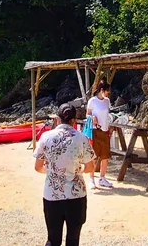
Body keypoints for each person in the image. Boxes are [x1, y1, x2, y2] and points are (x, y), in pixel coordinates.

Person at [34, 103, 96, 246]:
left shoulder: (46, 137)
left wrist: (51, 172)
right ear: (74, 120)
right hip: (76, 195)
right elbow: (90, 167)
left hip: (52, 194)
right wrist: (79, 170)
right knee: (73, 240)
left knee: (53, 239)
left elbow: (38, 167)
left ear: (57, 119)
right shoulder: (81, 138)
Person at [86, 81, 114, 189]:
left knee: (105, 156)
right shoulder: (92, 101)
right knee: (93, 155)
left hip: (105, 130)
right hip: (95, 131)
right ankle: (91, 179)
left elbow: (108, 114)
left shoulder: (107, 101)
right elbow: (87, 114)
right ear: (101, 90)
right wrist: (92, 118)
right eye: (107, 91)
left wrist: (110, 126)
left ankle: (102, 178)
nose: (108, 93)